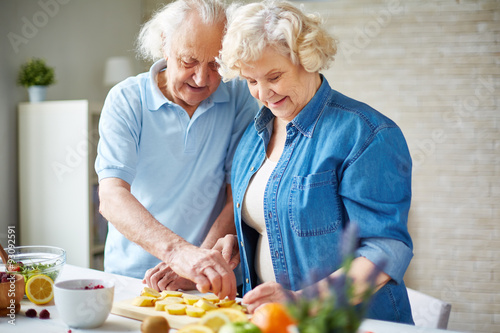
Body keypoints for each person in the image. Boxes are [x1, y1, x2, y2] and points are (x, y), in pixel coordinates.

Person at [214, 0, 414, 323]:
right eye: (251, 81)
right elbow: (281, 221)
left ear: (307, 58)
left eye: (274, 76)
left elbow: (385, 251)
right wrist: (239, 242)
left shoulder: (366, 134)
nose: (263, 94)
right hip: (274, 323)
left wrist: (301, 301)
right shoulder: (253, 139)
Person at [95, 0, 258, 300]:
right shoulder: (126, 100)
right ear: (164, 45)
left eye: (215, 64)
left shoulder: (238, 97)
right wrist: (179, 254)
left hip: (208, 280)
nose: (202, 79)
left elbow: (237, 191)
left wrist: (200, 262)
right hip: (134, 277)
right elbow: (112, 196)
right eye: (189, 61)